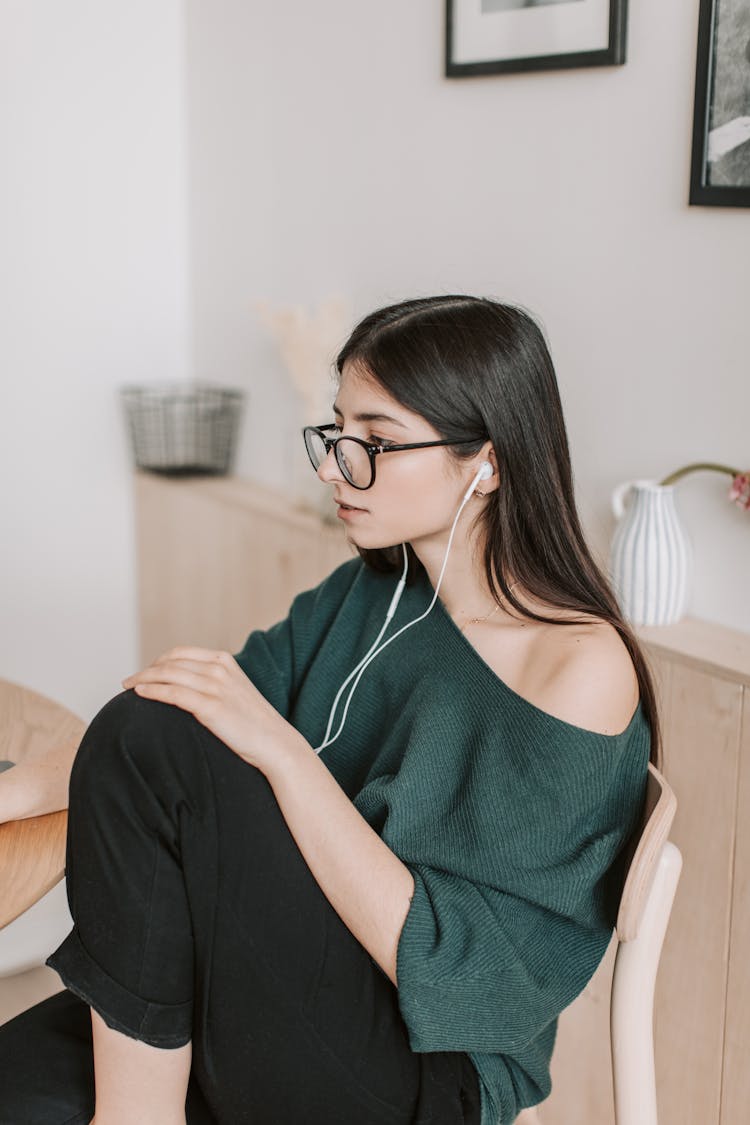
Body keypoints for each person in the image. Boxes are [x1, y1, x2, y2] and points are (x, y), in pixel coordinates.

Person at [0, 295, 658, 1125]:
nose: (333, 466)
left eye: (376, 444)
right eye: (337, 431)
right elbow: (188, 716)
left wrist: (282, 752)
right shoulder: (374, 591)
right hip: (274, 977)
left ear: (485, 464)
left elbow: (461, 977)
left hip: (424, 1066)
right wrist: (14, 793)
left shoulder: (578, 667)